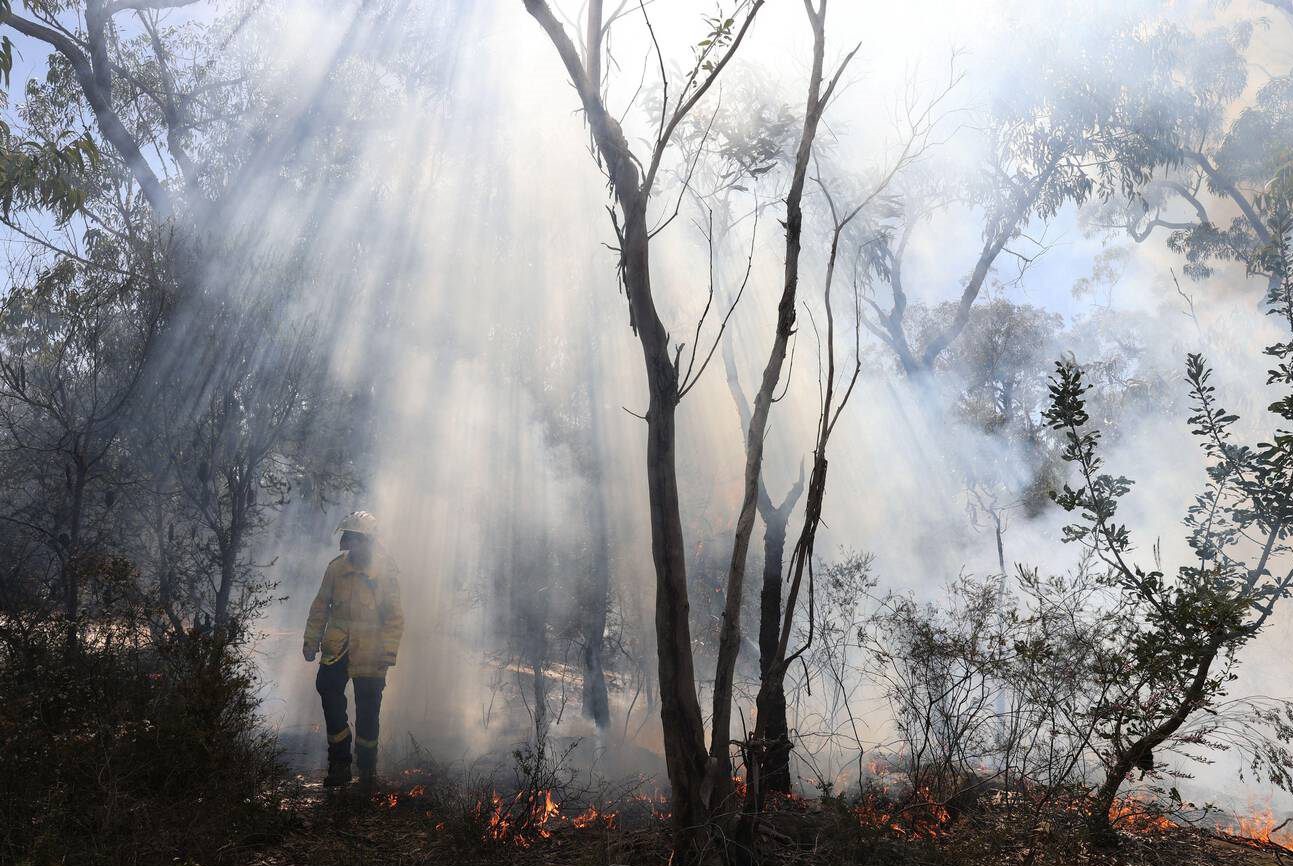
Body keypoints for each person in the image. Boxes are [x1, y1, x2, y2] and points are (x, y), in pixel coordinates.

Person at [303, 510, 404, 787]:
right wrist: (311, 640)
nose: (348, 543)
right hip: (338, 647)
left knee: (368, 710)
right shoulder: (336, 569)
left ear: (369, 541)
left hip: (371, 653)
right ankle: (339, 765)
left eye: (355, 538)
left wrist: (389, 652)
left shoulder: (384, 572)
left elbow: (394, 617)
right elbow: (320, 606)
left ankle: (367, 769)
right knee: (327, 689)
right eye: (347, 537)